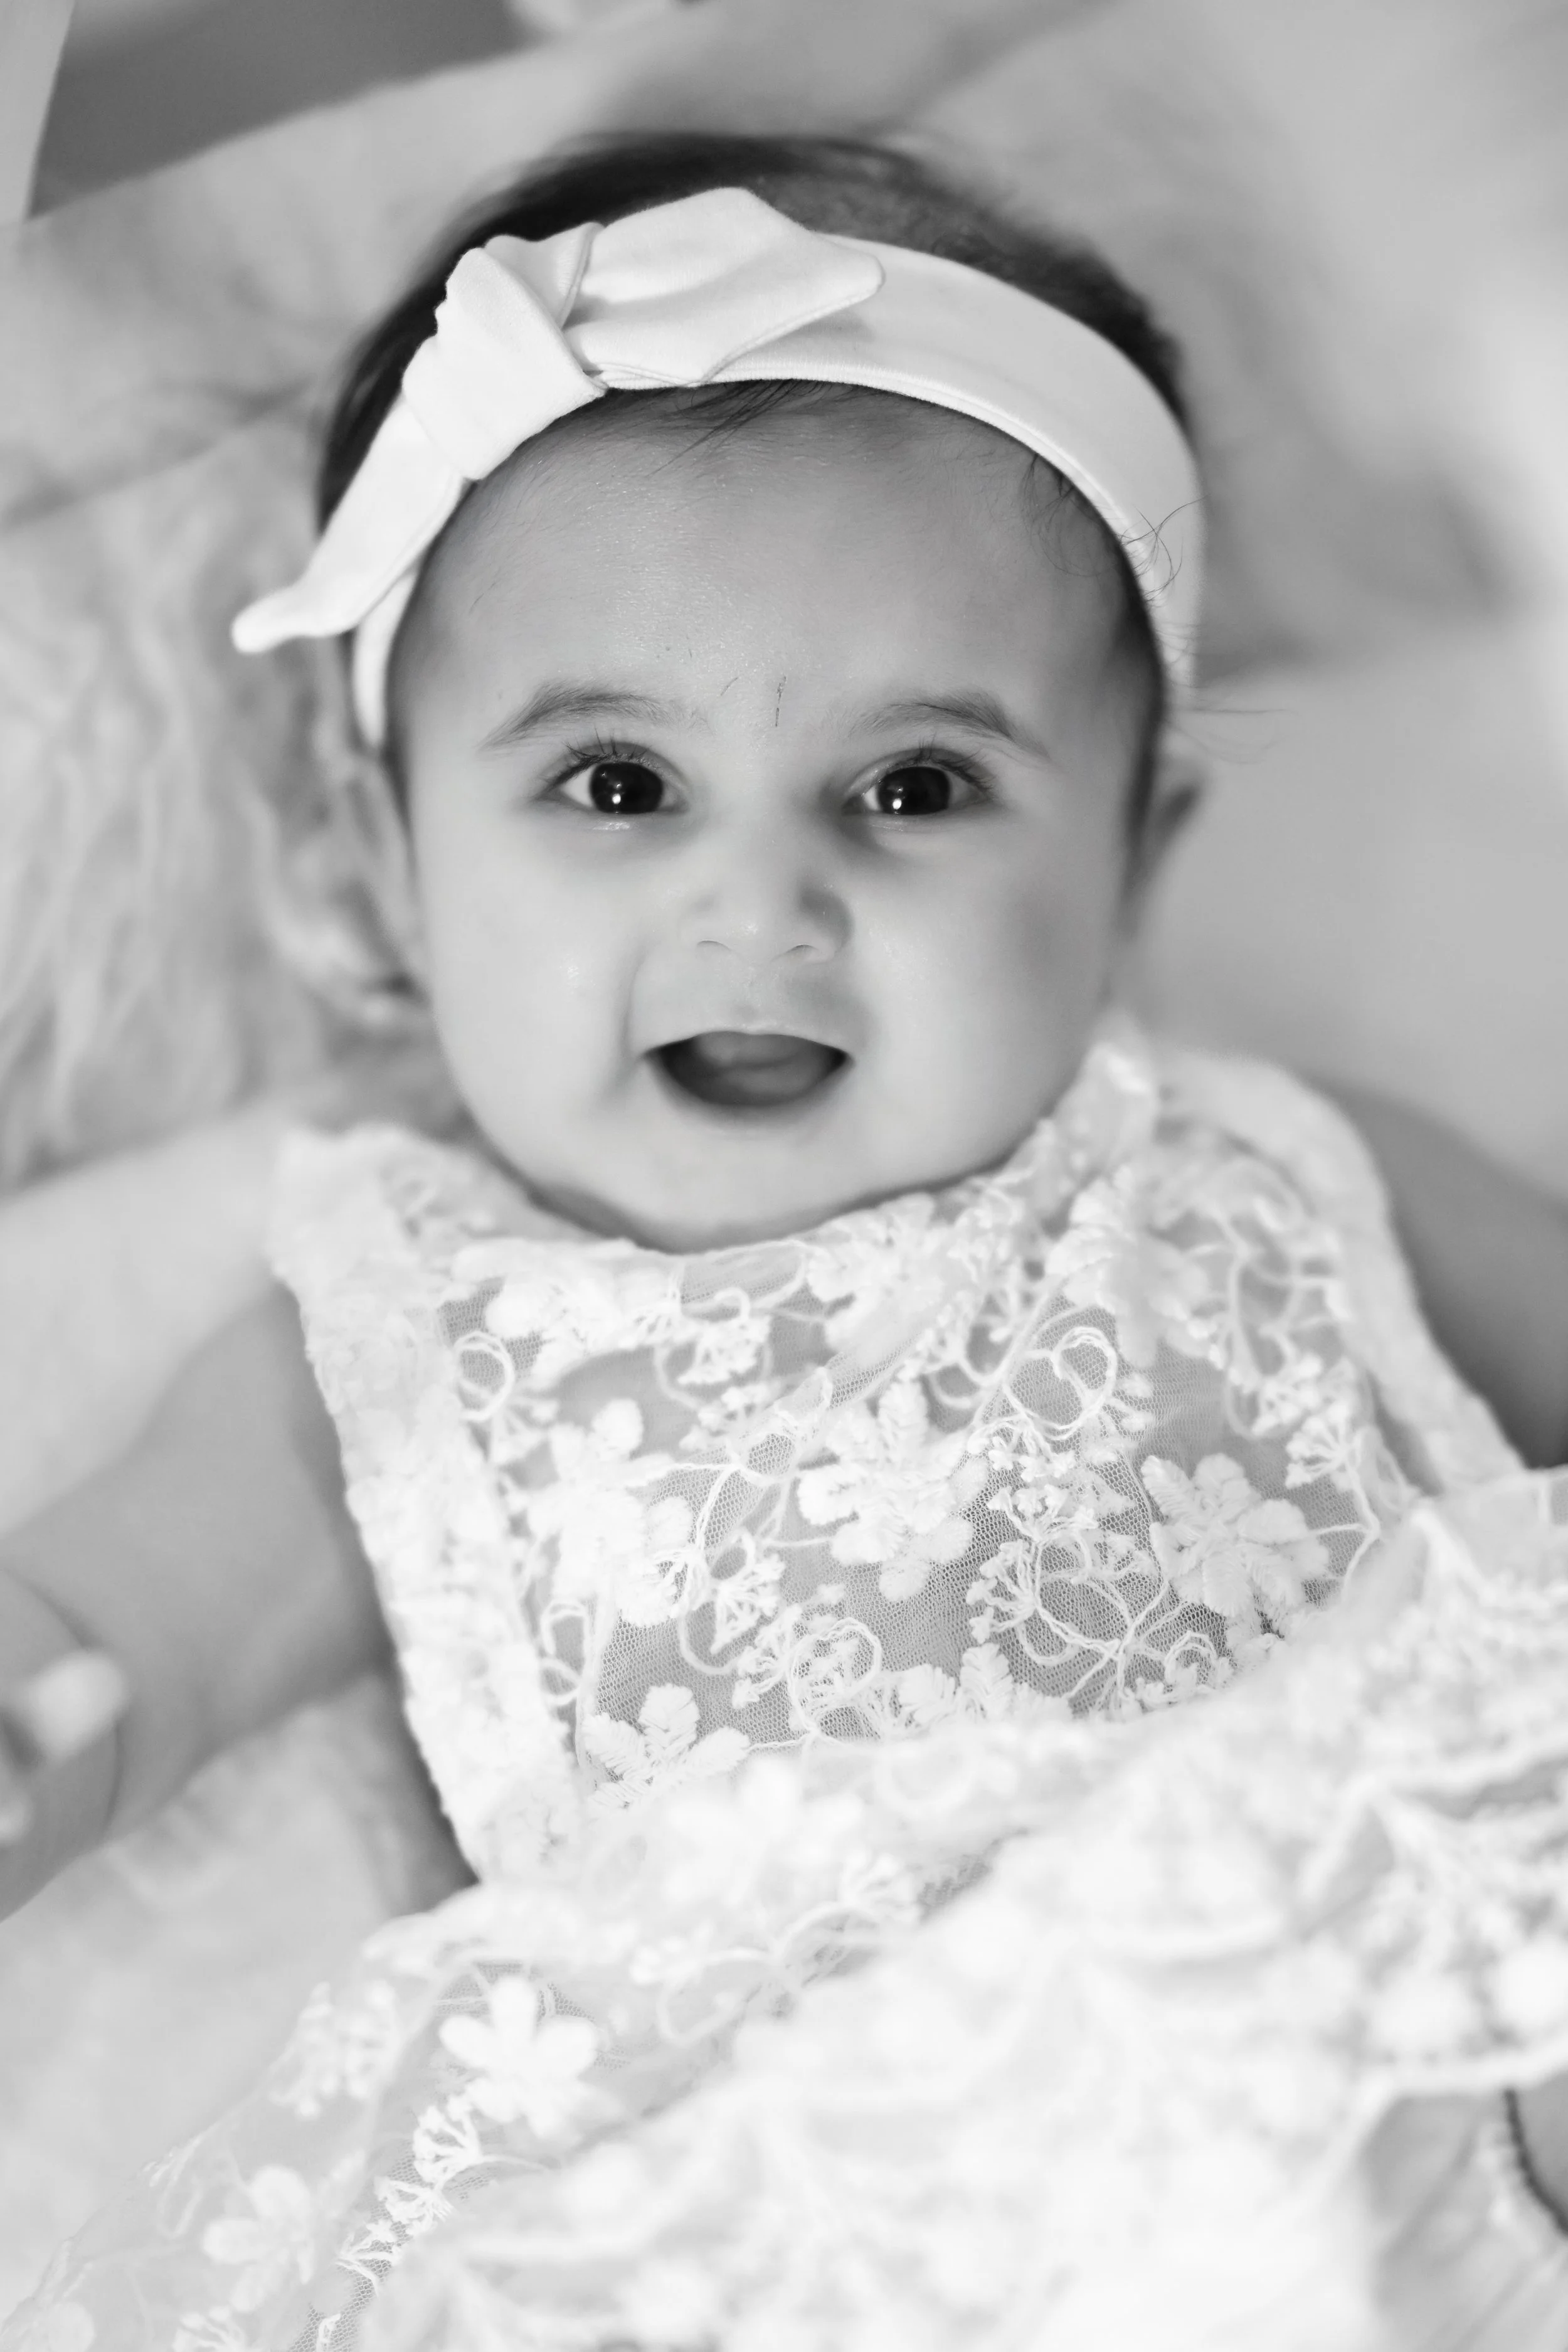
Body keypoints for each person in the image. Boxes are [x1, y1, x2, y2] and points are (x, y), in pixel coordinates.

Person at [6, 132, 1568, 2348]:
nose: (760, 905)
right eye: (615, 784)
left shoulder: (1286, 1163)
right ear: (381, 862)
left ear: (1134, 854)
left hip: (1401, 2056)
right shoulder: (402, 1332)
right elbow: (112, 1633)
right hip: (854, 2183)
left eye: (914, 786)